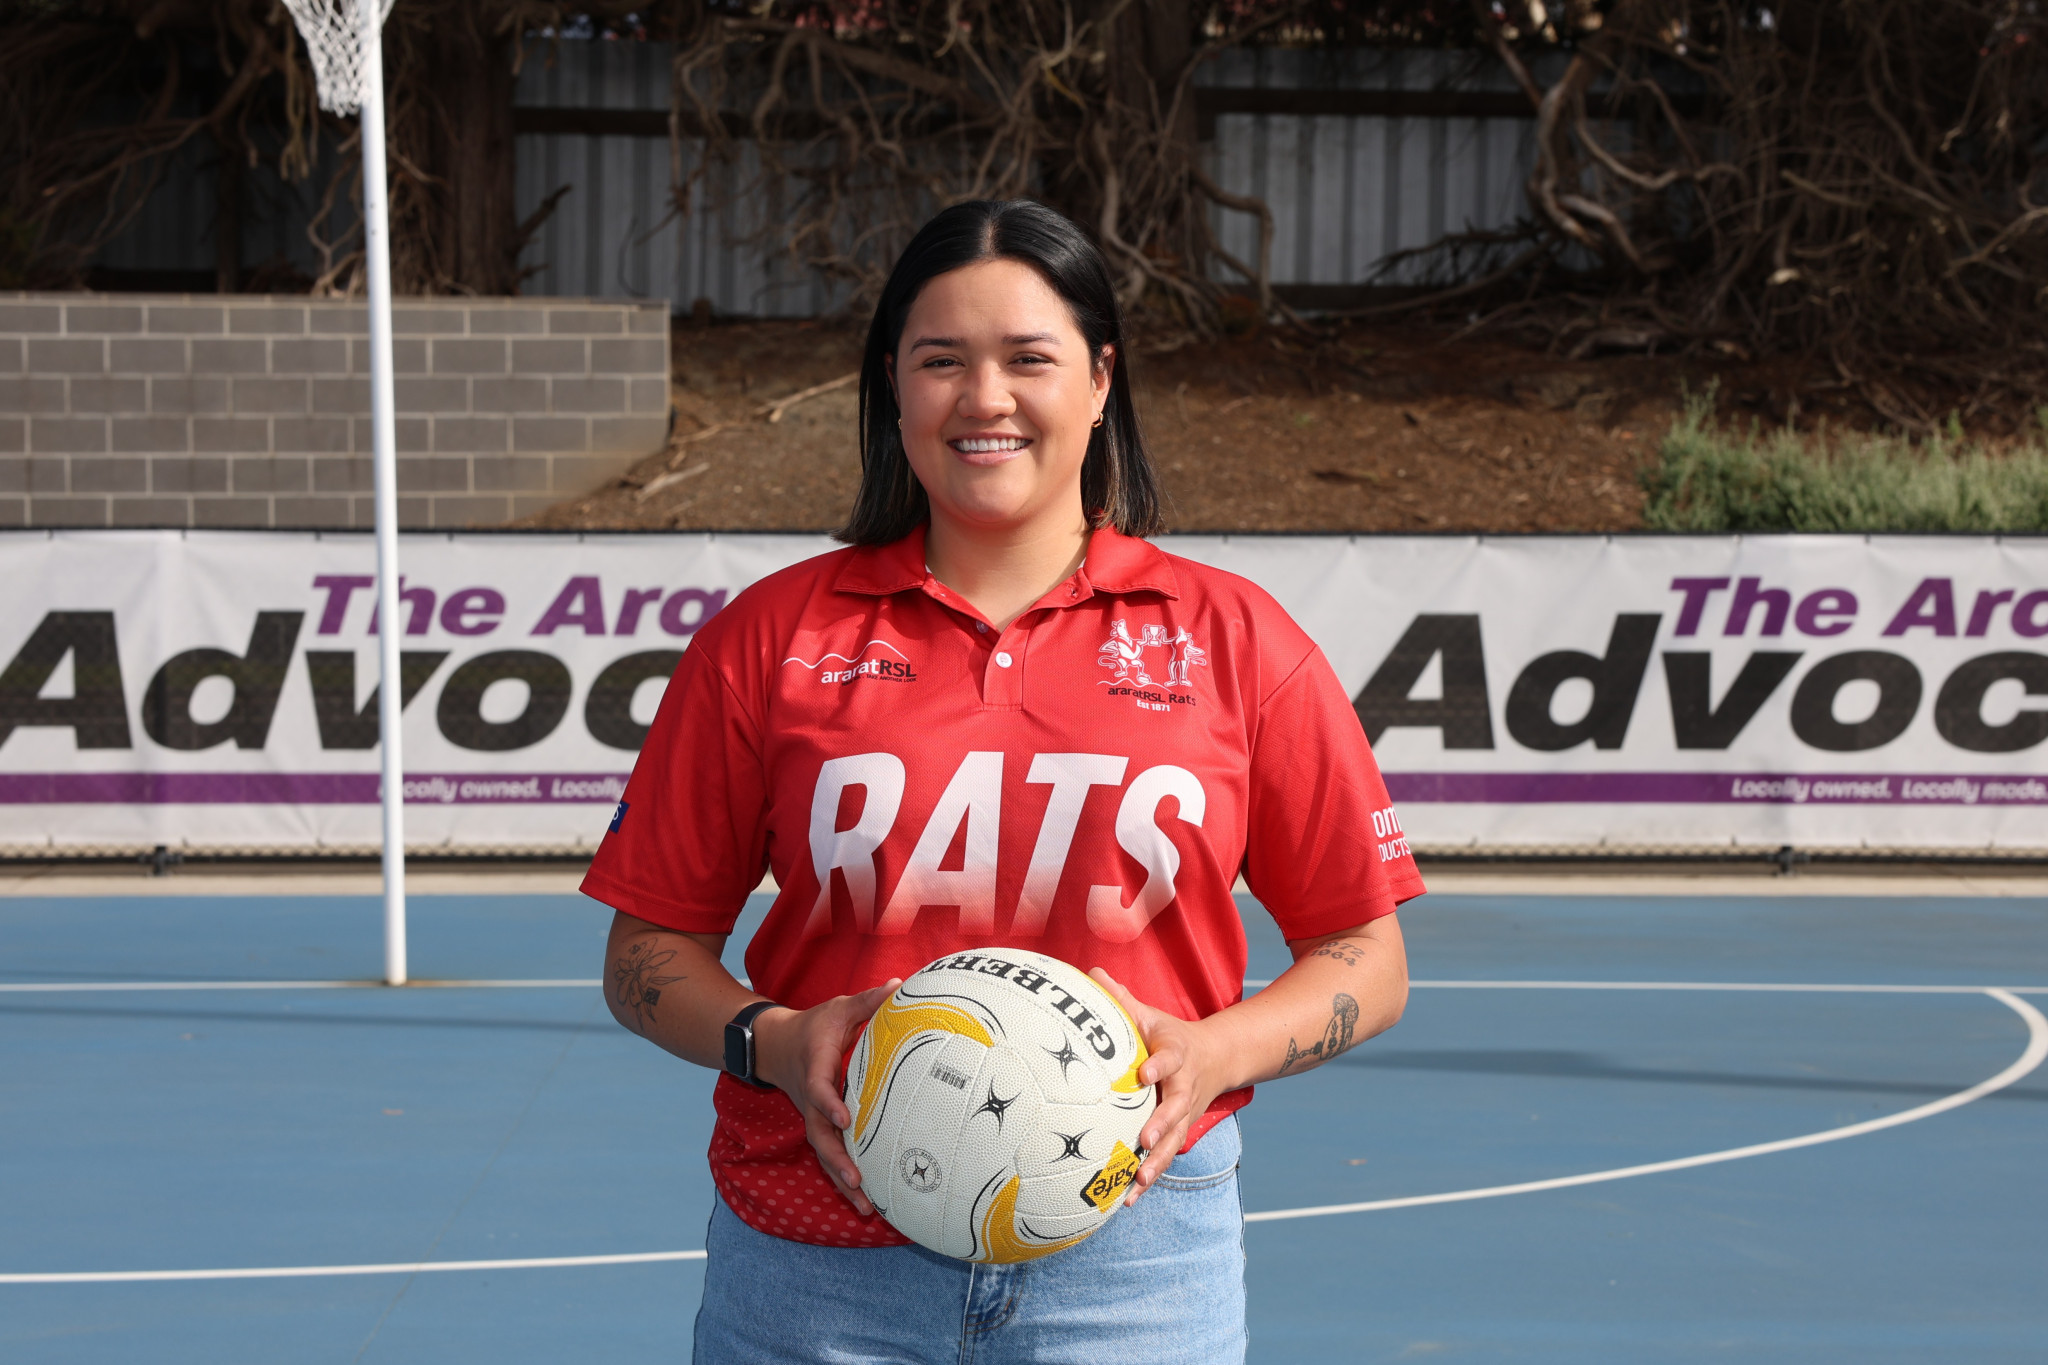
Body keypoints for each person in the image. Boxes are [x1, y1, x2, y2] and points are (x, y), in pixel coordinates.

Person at [583, 199, 1422, 1364]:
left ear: (1098, 378)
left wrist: (1213, 1053)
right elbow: (641, 961)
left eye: (1028, 357)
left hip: (1130, 1265)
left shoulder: (1237, 642)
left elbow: (1365, 962)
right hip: (813, 1264)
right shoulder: (767, 640)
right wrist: (777, 1041)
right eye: (940, 362)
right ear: (891, 386)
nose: (984, 399)